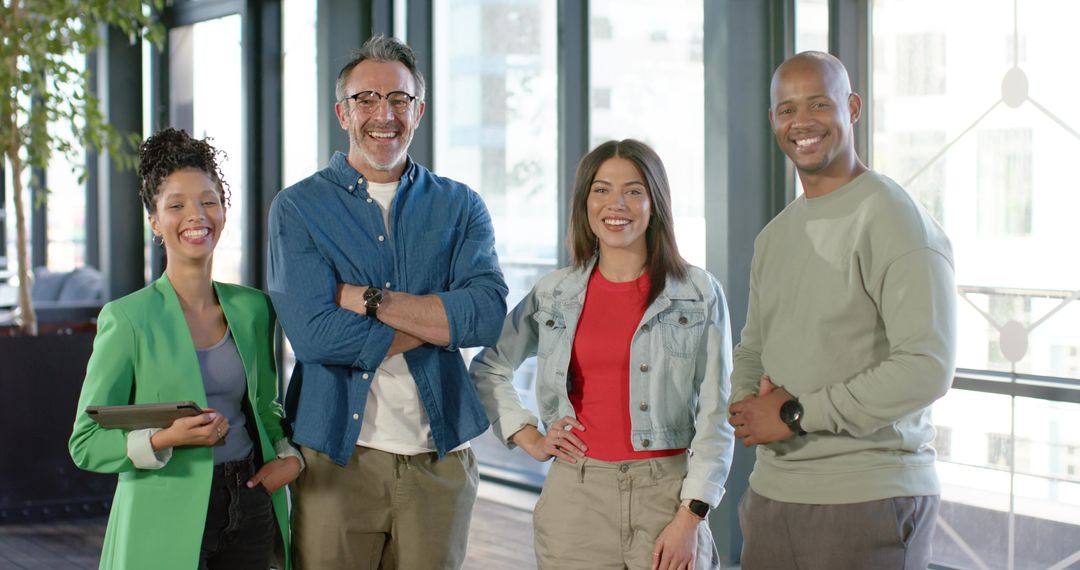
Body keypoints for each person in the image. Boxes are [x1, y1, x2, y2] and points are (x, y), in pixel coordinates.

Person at [266, 34, 508, 569]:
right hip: (335, 461)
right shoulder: (298, 208)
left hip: (438, 460)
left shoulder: (460, 205)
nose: (385, 113)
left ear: (418, 111)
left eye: (399, 99)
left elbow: (486, 314)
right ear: (341, 112)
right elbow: (313, 335)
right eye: (367, 99)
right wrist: (437, 320)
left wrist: (363, 298)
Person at [726, 51, 957, 569]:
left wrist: (793, 414)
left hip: (867, 498)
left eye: (818, 104)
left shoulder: (895, 219)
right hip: (771, 495)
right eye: (786, 109)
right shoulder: (774, 237)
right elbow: (753, 348)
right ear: (772, 122)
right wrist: (746, 406)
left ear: (852, 108)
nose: (801, 122)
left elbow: (927, 367)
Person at [470, 139, 735, 570]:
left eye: (634, 190)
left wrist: (691, 516)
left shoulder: (698, 293)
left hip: (666, 498)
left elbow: (716, 413)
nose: (617, 204)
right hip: (576, 501)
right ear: (585, 202)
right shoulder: (555, 293)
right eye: (602, 189)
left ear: (655, 203)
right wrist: (528, 435)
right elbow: (490, 366)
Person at [69, 128, 303, 570]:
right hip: (162, 512)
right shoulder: (127, 319)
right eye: (176, 204)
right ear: (155, 221)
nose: (196, 215)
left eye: (208, 200)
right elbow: (85, 442)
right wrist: (164, 438)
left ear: (224, 210)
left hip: (250, 502)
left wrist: (289, 458)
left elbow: (265, 409)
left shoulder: (253, 309)